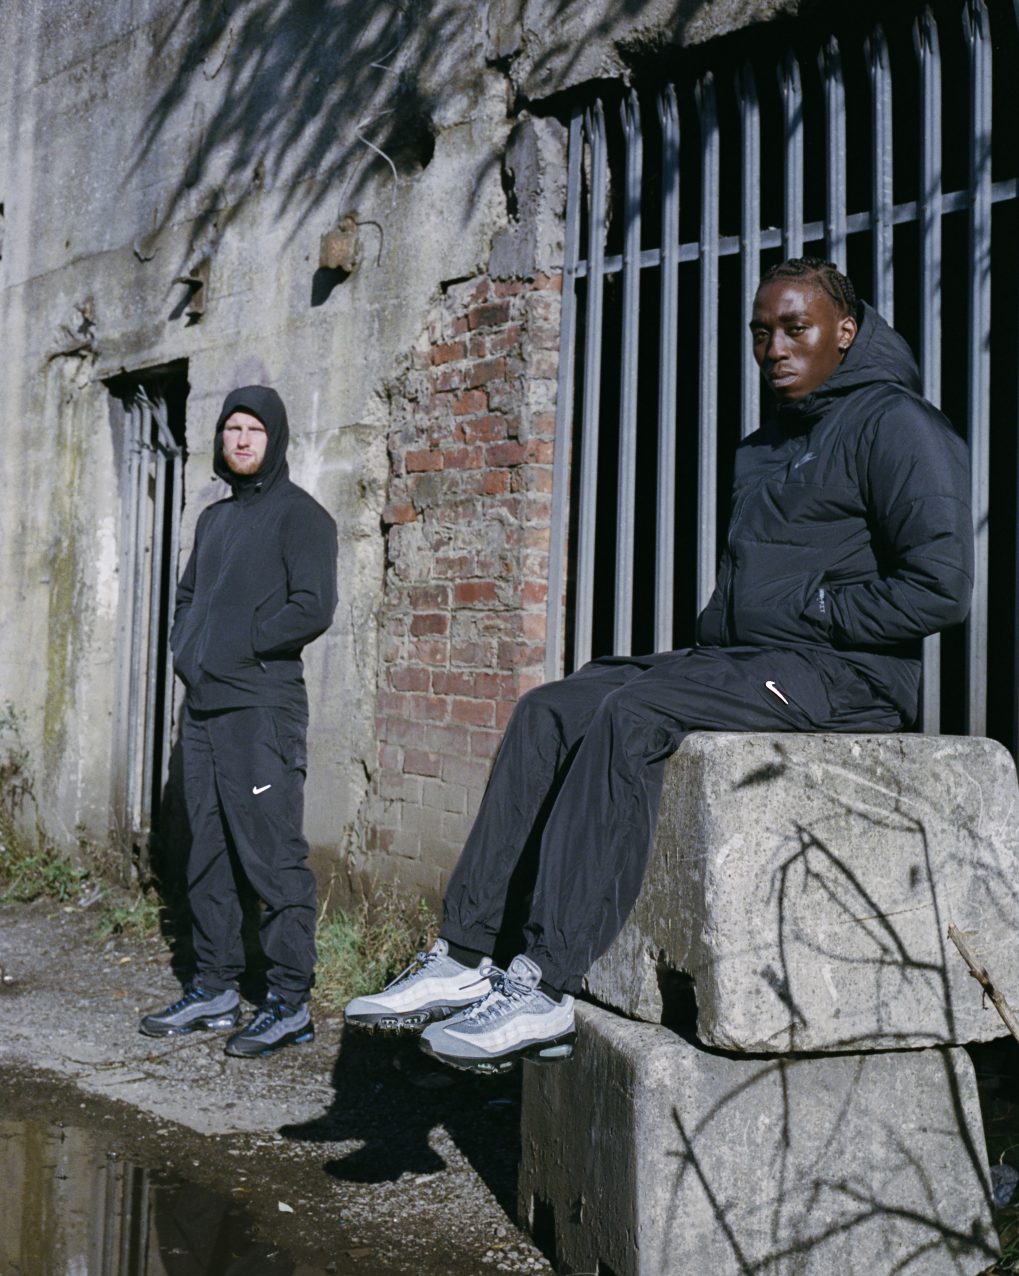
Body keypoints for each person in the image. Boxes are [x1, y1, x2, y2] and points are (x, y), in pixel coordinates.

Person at [345, 258, 973, 1074]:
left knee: (632, 714)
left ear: (844, 332)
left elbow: (938, 590)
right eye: (760, 332)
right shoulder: (768, 443)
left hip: (846, 677)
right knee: (551, 707)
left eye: (796, 328)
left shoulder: (897, 424)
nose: (774, 347)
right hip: (751, 659)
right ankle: (464, 955)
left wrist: (816, 611)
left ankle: (543, 985)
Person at [140, 385, 338, 1057]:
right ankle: (215, 987)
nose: (243, 439)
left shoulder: (302, 517)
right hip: (204, 712)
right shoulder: (215, 521)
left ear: (273, 438)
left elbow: (313, 606)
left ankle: (289, 1002)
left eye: (254, 429)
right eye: (232, 429)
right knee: (206, 852)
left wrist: (240, 642)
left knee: (271, 856)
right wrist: (187, 646)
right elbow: (188, 596)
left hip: (260, 712)